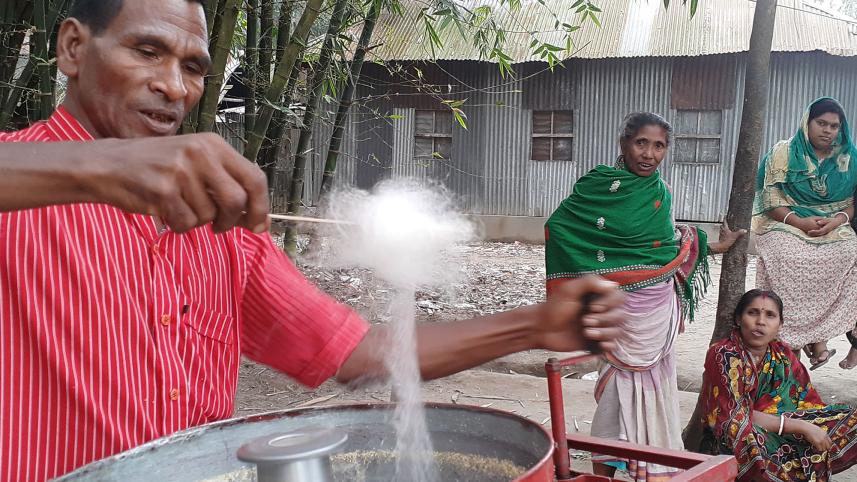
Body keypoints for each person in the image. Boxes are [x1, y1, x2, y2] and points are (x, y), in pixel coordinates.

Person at [0, 1, 627, 480]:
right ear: (74, 47)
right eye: (146, 51)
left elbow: (362, 355)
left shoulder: (222, 232)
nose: (174, 86)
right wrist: (103, 166)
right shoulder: (19, 183)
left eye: (192, 66)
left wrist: (535, 325)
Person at [544, 112, 743, 481]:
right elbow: (559, 227)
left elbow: (666, 246)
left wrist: (713, 246)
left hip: (656, 308)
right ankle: (602, 474)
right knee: (612, 398)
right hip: (617, 310)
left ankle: (651, 467)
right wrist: (595, 279)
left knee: (653, 394)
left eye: (659, 146)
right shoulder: (596, 185)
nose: (649, 153)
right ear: (624, 143)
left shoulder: (659, 193)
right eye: (641, 143)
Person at [699, 289, 857, 481]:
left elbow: (807, 402)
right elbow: (735, 415)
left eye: (770, 315)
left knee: (851, 419)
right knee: (748, 437)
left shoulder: (782, 354)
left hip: (784, 426)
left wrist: (811, 426)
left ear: (779, 325)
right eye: (753, 312)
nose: (760, 321)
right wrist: (801, 427)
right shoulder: (724, 354)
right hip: (743, 435)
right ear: (739, 319)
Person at [752, 97, 857, 370]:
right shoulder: (783, 153)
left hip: (832, 225)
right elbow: (770, 199)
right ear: (806, 123)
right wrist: (798, 222)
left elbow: (850, 203)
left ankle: (817, 336)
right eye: (821, 123)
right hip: (787, 222)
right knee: (785, 253)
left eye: (834, 126)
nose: (828, 130)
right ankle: (792, 342)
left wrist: (835, 222)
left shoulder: (848, 157)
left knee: (849, 251)